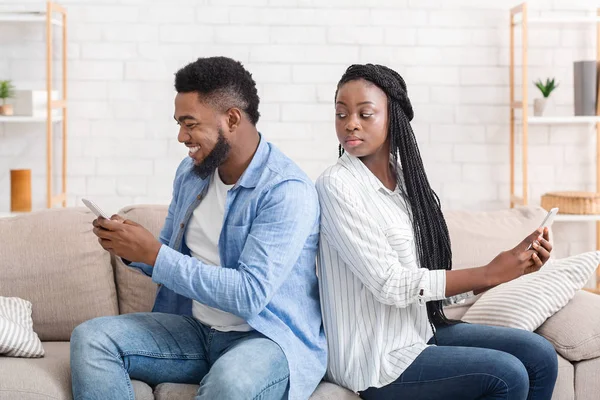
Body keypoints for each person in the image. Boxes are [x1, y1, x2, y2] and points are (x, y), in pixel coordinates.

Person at [71, 56, 326, 400]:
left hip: (266, 338)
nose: (181, 136)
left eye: (190, 124)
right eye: (179, 124)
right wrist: (132, 250)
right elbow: (169, 259)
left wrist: (154, 254)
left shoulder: (285, 190)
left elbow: (249, 295)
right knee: (92, 338)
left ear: (232, 119)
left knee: (231, 384)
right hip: (197, 330)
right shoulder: (192, 174)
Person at [316, 63, 558, 400]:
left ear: (393, 118)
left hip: (418, 334)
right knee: (507, 376)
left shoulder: (404, 183)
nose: (350, 123)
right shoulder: (336, 185)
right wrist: (487, 273)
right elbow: (391, 284)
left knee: (540, 356)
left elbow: (427, 278)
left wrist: (508, 269)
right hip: (376, 359)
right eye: (341, 114)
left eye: (365, 113)